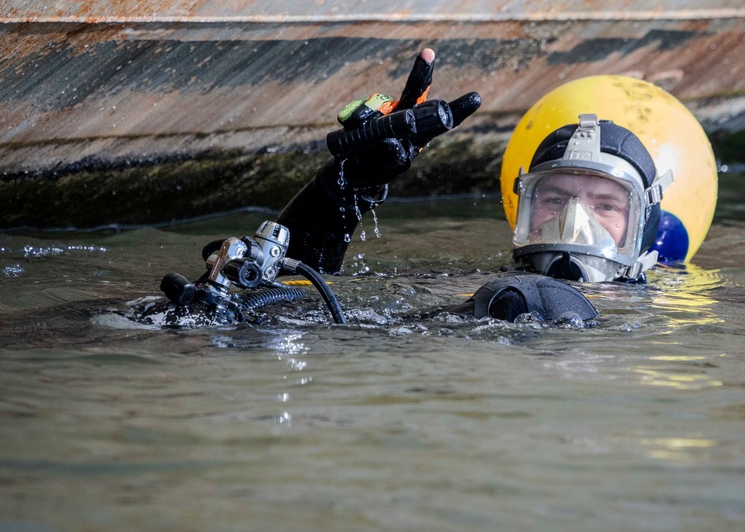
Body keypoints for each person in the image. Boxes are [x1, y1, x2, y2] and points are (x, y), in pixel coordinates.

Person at [276, 49, 682, 325]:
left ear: (641, 227)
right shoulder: (456, 285)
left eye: (607, 206)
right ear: (522, 209)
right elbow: (292, 294)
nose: (574, 221)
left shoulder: (679, 312)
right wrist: (342, 189)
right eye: (555, 198)